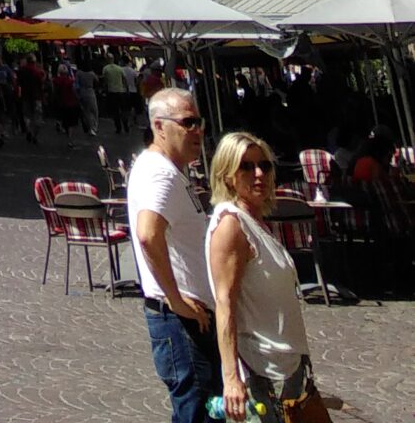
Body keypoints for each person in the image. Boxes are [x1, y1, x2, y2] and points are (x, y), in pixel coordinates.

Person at [207, 133, 319, 422]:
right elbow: (224, 303)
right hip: (261, 373)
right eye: (246, 166)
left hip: (286, 367)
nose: (259, 174)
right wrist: (231, 378)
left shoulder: (255, 222)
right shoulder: (231, 225)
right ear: (227, 175)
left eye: (264, 166)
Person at [129, 86, 221, 423]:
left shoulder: (168, 169)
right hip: (181, 323)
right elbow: (148, 234)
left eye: (199, 122)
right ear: (159, 126)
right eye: (187, 122)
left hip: (185, 319)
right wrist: (176, 299)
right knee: (198, 412)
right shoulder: (160, 174)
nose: (197, 130)